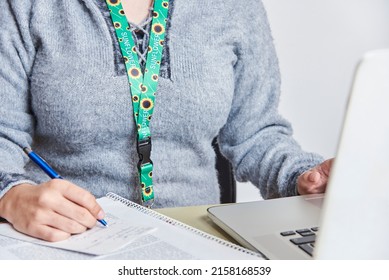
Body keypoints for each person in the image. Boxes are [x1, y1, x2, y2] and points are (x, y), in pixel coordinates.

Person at [0, 0, 333, 242]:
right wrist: (12, 195)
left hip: (197, 242)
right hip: (66, 239)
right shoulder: (25, 7)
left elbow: (255, 134)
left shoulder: (235, 7)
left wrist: (303, 178)